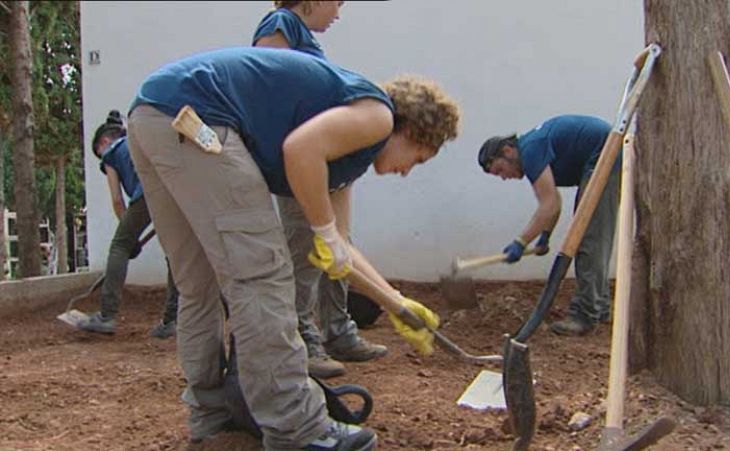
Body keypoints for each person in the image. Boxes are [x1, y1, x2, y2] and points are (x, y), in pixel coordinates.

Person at [126, 47, 459, 450]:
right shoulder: (378, 116)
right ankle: (300, 430)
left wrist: (396, 303)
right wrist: (325, 231)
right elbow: (300, 150)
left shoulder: (345, 154)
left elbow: (338, 245)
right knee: (264, 276)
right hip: (198, 119)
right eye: (419, 159)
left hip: (152, 116)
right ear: (413, 130)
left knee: (198, 286)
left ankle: (213, 417)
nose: (407, 172)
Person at [252, 0, 386, 379]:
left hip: (321, 161)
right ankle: (303, 339)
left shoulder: (304, 37)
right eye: (338, 3)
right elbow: (268, 86)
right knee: (307, 250)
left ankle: (338, 330)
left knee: (338, 247)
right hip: (299, 163)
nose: (338, 13)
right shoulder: (281, 23)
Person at [478, 114, 619, 336]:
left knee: (588, 240)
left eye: (500, 170)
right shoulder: (532, 146)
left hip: (605, 156)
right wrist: (545, 236)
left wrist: (520, 242)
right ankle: (598, 308)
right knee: (592, 238)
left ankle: (586, 315)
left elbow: (550, 204)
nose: (504, 177)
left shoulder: (530, 151)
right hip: (604, 155)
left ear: (507, 151)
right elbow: (554, 201)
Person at [77, 111, 179, 339]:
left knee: (119, 247)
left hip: (146, 194)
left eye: (98, 153)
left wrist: (129, 235)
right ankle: (172, 319)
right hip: (174, 190)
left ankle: (106, 315)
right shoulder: (139, 139)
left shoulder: (111, 154)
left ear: (104, 142)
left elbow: (116, 198)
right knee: (175, 253)